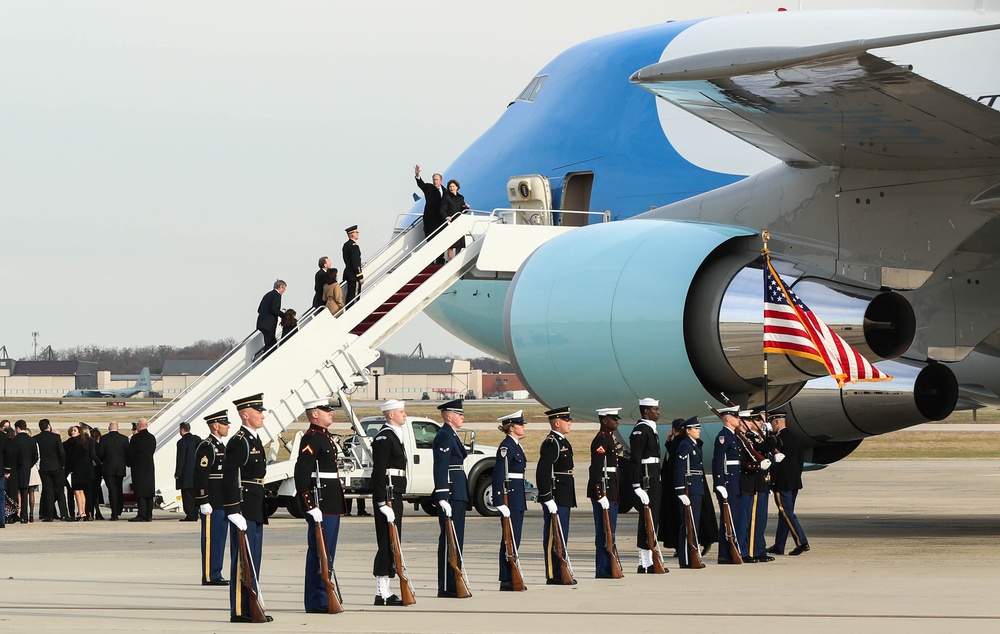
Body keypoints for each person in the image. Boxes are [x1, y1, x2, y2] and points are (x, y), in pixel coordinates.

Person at [294, 399, 347, 614]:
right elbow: (302, 473)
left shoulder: (325, 437)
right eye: (326, 411)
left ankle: (324, 595)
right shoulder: (312, 438)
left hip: (331, 502)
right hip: (321, 503)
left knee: (328, 554)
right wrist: (309, 505)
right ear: (314, 414)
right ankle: (317, 600)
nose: (330, 414)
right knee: (319, 553)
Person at [223, 393, 273, 623]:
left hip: (255, 505)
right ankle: (241, 610)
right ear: (245, 414)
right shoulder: (239, 441)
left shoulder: (253, 440)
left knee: (253, 559)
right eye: (258, 411)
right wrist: (233, 510)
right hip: (244, 507)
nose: (262, 415)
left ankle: (253, 605)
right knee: (243, 559)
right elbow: (230, 476)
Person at [371, 399, 408, 606]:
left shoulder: (395, 435)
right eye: (401, 412)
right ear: (390, 414)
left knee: (394, 542)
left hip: (395, 494)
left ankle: (386, 589)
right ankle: (382, 591)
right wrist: (381, 503)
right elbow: (378, 473)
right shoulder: (385, 437)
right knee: (386, 542)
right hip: (388, 495)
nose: (404, 415)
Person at [432, 399, 470, 598]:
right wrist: (442, 495)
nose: (462, 416)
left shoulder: (451, 435)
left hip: (458, 492)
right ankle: (447, 585)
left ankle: (454, 580)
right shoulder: (444, 436)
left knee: (457, 539)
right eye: (458, 413)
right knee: (450, 539)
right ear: (449, 416)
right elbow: (440, 467)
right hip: (451, 493)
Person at [536, 406, 577, 585]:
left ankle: (561, 569)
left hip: (565, 494)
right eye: (566, 420)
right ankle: (554, 574)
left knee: (562, 534)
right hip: (556, 495)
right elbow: (543, 471)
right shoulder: (552, 442)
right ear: (557, 423)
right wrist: (546, 497)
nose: (569, 423)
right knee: (554, 535)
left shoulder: (562, 441)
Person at [492, 410, 528, 591]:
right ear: (511, 427)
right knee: (509, 538)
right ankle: (506, 578)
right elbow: (499, 474)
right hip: (510, 498)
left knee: (515, 538)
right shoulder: (506, 447)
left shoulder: (517, 446)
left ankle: (512, 573)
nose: (523, 427)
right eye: (520, 424)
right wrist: (499, 501)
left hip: (517, 496)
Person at [194, 410, 231, 586]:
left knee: (220, 539)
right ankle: (209, 575)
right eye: (224, 424)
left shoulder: (221, 446)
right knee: (211, 540)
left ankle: (216, 572)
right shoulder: (207, 446)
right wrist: (203, 500)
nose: (228, 426)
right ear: (215, 426)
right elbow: (201, 475)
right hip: (211, 501)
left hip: (222, 500)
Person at [767, 411, 810, 556]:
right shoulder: (796, 438)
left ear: (776, 422)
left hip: (782, 482)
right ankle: (779, 545)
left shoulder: (777, 440)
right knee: (784, 514)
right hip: (794, 481)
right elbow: (800, 462)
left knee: (786, 512)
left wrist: (771, 481)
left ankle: (801, 542)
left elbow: (776, 464)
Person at [588, 407, 624, 579]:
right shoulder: (601, 439)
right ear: (604, 421)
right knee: (604, 531)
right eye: (613, 419)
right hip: (604, 491)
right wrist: (599, 494)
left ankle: (609, 565)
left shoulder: (609, 438)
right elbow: (596, 468)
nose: (617, 421)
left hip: (611, 491)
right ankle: (603, 569)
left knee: (610, 530)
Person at [736, 411, 776, 563]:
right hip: (756, 482)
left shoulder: (756, 436)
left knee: (761, 519)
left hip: (763, 482)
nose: (761, 423)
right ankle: (751, 550)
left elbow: (772, 446)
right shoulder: (750, 437)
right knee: (753, 519)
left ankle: (759, 548)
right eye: (758, 420)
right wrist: (768, 430)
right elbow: (768, 446)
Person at [630, 398, 663, 573]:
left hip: (654, 479)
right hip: (646, 482)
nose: (658, 412)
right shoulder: (640, 431)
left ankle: (650, 560)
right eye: (654, 409)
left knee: (653, 520)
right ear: (645, 411)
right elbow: (635, 460)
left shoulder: (651, 429)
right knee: (646, 521)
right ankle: (644, 561)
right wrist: (636, 485)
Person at [673, 417, 706, 568]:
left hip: (696, 488)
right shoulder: (685, 445)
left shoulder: (694, 445)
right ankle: (686, 558)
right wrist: (680, 490)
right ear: (687, 430)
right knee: (687, 524)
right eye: (695, 428)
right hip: (689, 488)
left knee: (694, 523)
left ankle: (693, 555)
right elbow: (680, 469)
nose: (699, 430)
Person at [711, 406, 743, 564]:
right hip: (727, 483)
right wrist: (719, 483)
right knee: (727, 519)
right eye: (735, 416)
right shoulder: (723, 436)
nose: (738, 419)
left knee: (733, 518)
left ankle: (731, 551)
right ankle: (724, 554)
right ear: (728, 418)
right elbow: (718, 461)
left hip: (734, 482)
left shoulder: (733, 436)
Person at [35, 419, 69, 522]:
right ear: (48, 426)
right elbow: (61, 452)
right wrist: (62, 465)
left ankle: (48, 516)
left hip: (43, 467)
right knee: (60, 491)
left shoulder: (36, 438)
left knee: (48, 491)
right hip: (56, 467)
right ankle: (64, 515)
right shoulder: (55, 437)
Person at [126, 418, 157, 522]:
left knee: (140, 492)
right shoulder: (152, 438)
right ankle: (149, 514)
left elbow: (131, 453)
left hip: (139, 467)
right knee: (149, 491)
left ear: (139, 425)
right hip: (149, 467)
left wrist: (128, 463)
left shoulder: (136, 438)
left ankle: (141, 514)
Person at [65, 425, 97, 521]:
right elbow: (93, 456)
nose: (72, 432)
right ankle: (83, 511)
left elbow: (70, 458)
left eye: (75, 430)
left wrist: (68, 469)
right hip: (87, 470)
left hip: (76, 470)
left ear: (79, 432)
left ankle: (81, 512)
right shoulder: (90, 442)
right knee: (82, 492)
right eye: (72, 430)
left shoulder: (72, 442)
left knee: (77, 491)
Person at [99, 422, 129, 521]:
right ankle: (119, 509)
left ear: (109, 428)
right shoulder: (124, 438)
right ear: (118, 428)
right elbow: (127, 453)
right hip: (120, 467)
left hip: (108, 468)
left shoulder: (104, 438)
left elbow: (100, 453)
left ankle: (114, 513)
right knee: (118, 489)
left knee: (111, 490)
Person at [10, 421, 37, 523]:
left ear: (17, 428)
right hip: (26, 469)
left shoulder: (14, 440)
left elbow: (11, 455)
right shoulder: (31, 440)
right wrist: (28, 465)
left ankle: (13, 515)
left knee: (14, 493)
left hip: (15, 469)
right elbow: (35, 456)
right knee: (25, 492)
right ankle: (24, 516)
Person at [175, 422, 201, 522]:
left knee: (187, 496)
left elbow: (180, 459)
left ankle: (190, 515)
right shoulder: (197, 439)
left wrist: (178, 473)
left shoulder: (181, 442)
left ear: (182, 430)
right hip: (196, 473)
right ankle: (195, 513)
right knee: (195, 495)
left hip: (186, 474)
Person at [414, 165, 446, 243]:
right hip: (430, 217)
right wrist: (417, 175)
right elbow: (421, 184)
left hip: (440, 218)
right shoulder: (429, 187)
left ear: (441, 181)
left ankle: (441, 255)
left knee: (440, 238)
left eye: (437, 180)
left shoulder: (446, 191)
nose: (435, 181)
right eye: (434, 179)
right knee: (430, 237)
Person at [440, 179, 470, 260]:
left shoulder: (461, 197)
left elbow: (462, 210)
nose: (451, 188)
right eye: (450, 186)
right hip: (451, 221)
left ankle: (456, 258)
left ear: (457, 187)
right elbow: (442, 209)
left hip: (459, 221)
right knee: (451, 243)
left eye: (453, 186)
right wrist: (446, 217)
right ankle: (449, 259)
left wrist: (466, 207)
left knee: (459, 242)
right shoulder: (447, 197)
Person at [255, 279, 286, 356]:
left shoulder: (267, 295)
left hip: (261, 323)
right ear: (280, 287)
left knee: (270, 343)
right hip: (269, 325)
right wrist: (284, 315)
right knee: (271, 345)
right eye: (284, 289)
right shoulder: (277, 295)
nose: (284, 291)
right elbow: (274, 309)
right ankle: (265, 361)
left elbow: (259, 309)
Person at [342, 225, 363, 307]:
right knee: (354, 297)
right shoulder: (354, 246)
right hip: (354, 275)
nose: (358, 234)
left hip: (348, 273)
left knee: (349, 295)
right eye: (356, 232)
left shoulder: (346, 245)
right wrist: (360, 276)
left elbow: (348, 260)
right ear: (352, 234)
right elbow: (355, 262)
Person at [88, 427, 106, 520]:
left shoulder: (88, 444)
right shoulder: (97, 445)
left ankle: (92, 511)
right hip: (96, 470)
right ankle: (96, 512)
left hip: (90, 470)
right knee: (95, 492)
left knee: (91, 492)